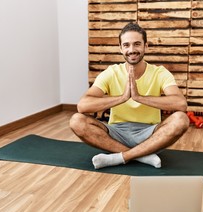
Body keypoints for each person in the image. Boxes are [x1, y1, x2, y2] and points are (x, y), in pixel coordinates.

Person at [69, 22, 189, 169]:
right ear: (120, 49)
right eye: (126, 45)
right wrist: (122, 98)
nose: (132, 50)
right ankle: (142, 156)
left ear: (146, 46)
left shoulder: (160, 73)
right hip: (117, 133)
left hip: (150, 135)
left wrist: (139, 97)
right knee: (76, 121)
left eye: (137, 44)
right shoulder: (111, 72)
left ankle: (122, 157)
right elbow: (82, 106)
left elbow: (180, 104)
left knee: (181, 119)